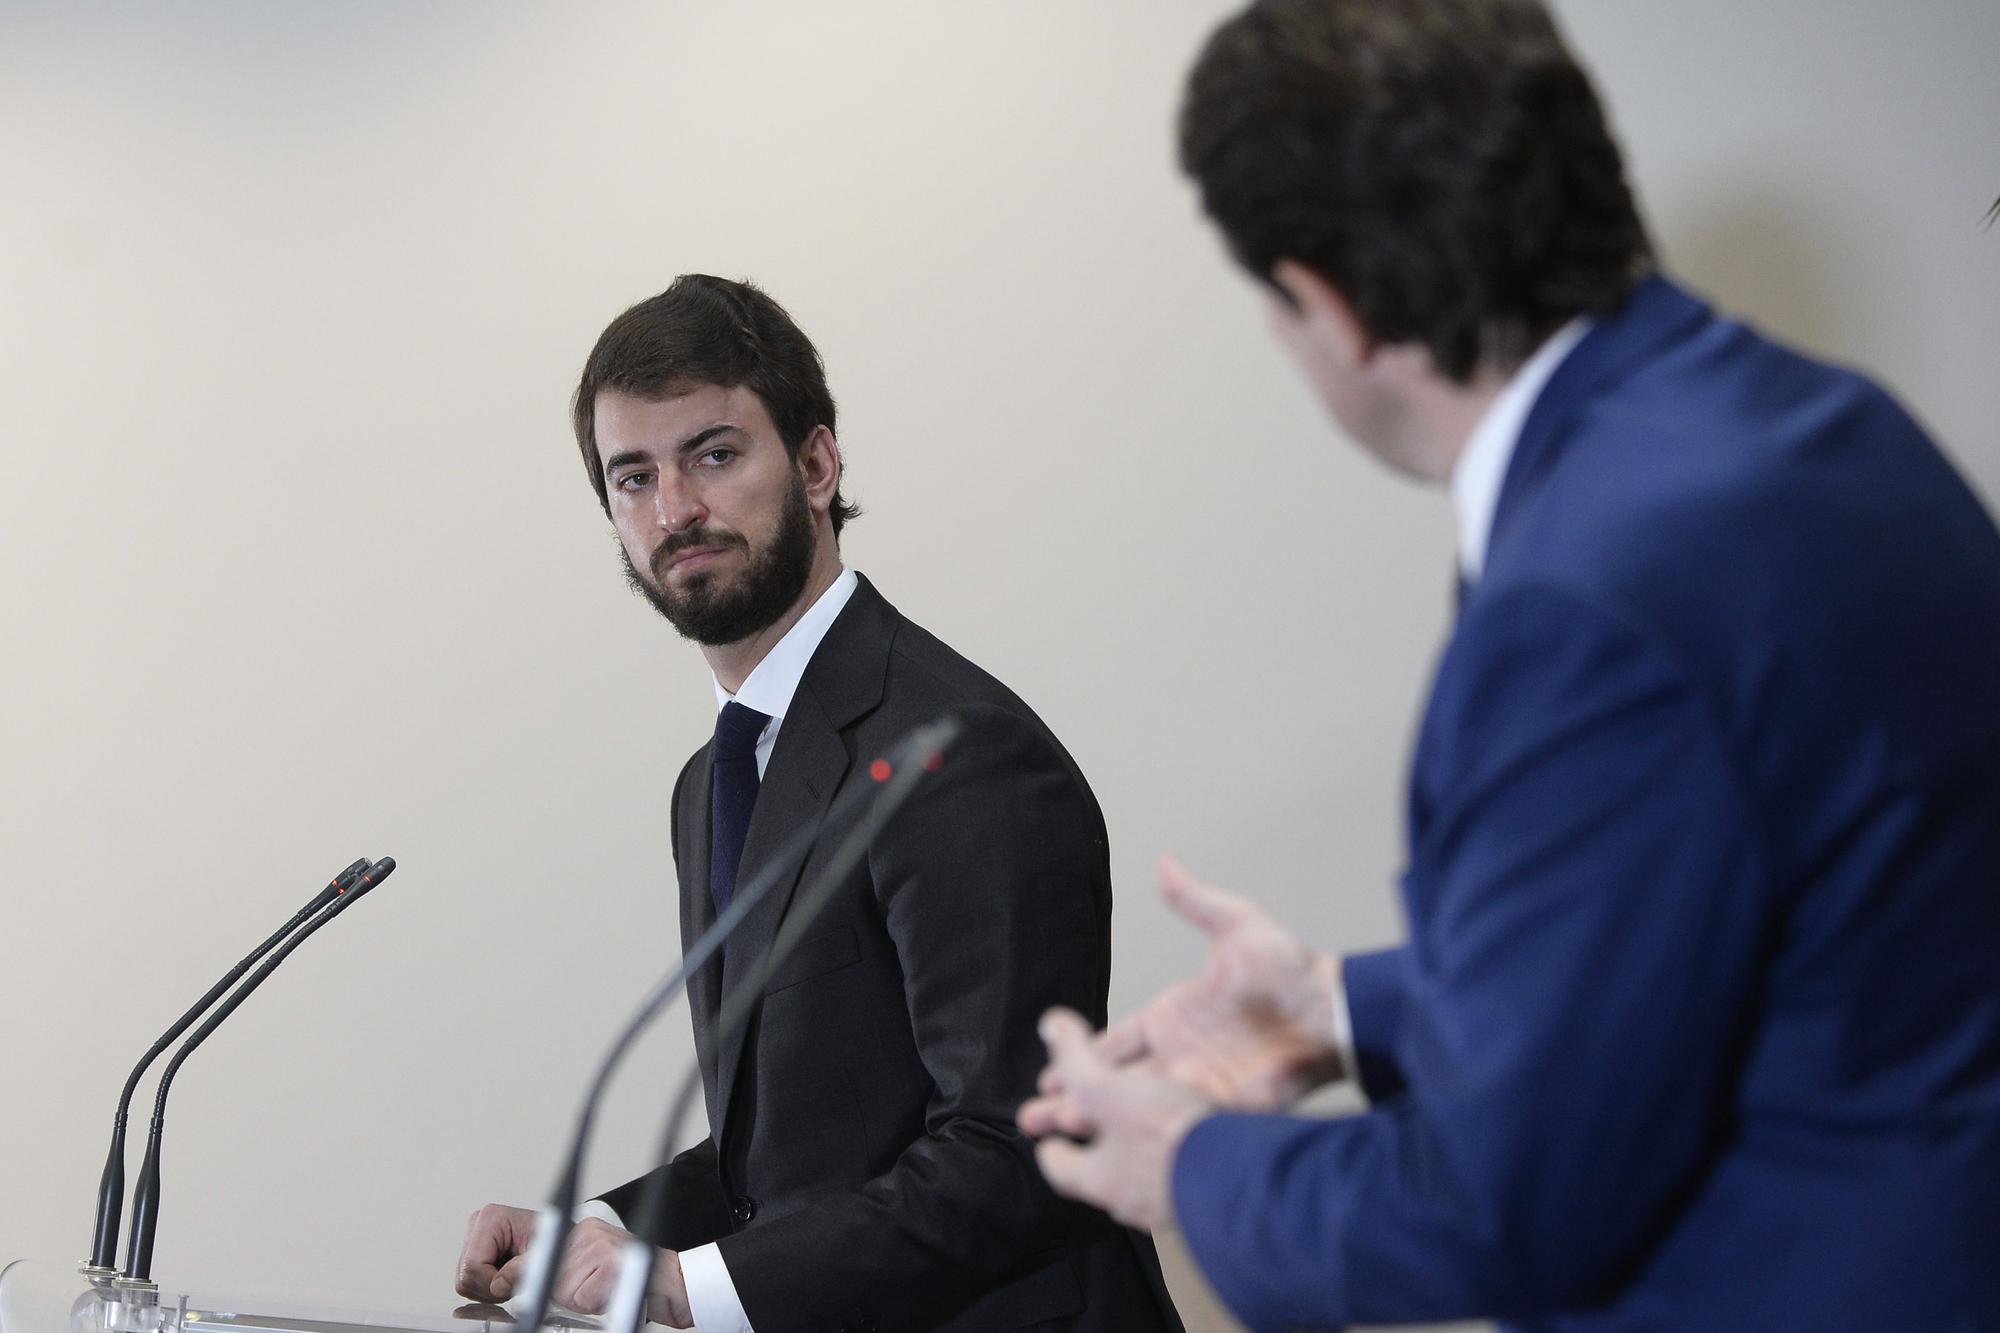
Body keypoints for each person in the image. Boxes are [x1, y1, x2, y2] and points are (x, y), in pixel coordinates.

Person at [1019, 2, 2000, 1329]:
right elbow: (1738, 943)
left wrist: (1186, 1163)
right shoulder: (1826, 423)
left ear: (1329, 305)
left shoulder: (1582, 603)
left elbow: (1491, 1211)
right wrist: (1341, 1004)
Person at [456, 276, 1183, 1331]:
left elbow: (1015, 1151)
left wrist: (678, 1287)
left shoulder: (957, 749)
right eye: (632, 477)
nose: (674, 510)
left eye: (713, 453)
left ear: (814, 463)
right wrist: (594, 1229)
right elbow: (778, 1160)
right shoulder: (710, 782)